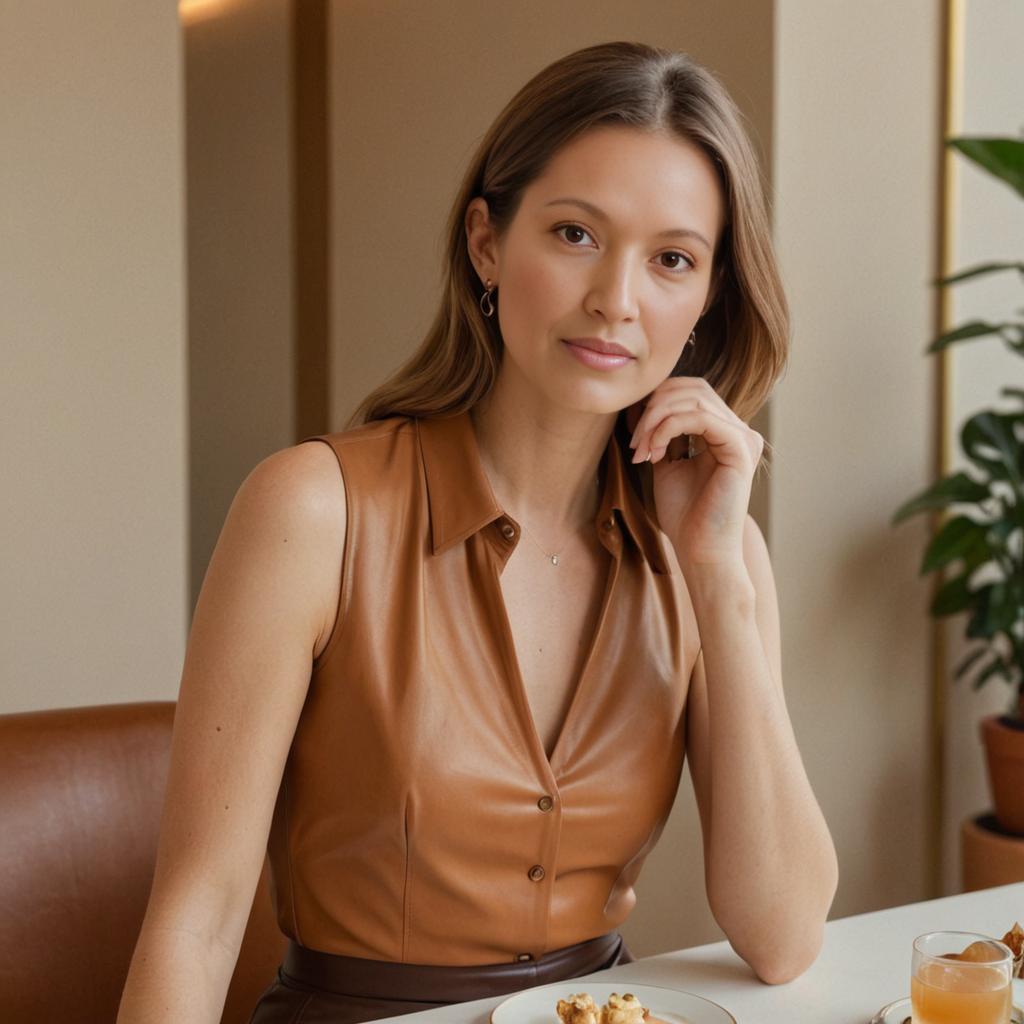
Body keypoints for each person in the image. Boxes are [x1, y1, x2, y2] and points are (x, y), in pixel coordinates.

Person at [117, 40, 838, 1024]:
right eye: (576, 234)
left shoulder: (714, 550)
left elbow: (784, 931)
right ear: (487, 242)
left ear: (707, 297)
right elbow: (195, 920)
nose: (616, 300)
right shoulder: (311, 511)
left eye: (671, 259)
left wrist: (717, 573)